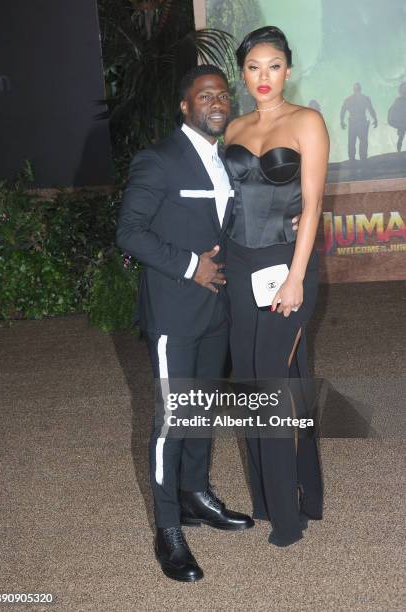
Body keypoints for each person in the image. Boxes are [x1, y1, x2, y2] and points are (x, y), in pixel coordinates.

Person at [116, 65, 255, 583]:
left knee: (201, 411)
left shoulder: (226, 161)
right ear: (184, 104)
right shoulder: (159, 160)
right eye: (205, 95)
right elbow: (129, 233)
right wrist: (190, 264)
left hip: (217, 310)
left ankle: (196, 495)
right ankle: (167, 527)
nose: (216, 101)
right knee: (173, 419)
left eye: (222, 94)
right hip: (175, 310)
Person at [224, 26, 329, 546]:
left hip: (288, 267)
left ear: (288, 69)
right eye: (253, 67)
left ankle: (289, 517)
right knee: (253, 383)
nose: (263, 77)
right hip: (239, 269)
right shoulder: (234, 128)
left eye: (274, 66)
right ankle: (293, 493)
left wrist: (296, 276)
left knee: (269, 383)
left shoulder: (307, 121)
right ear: (242, 73)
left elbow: (311, 206)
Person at [340, 82, 377, 162]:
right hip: (361, 123)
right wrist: (375, 119)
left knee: (352, 142)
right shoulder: (365, 98)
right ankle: (361, 159)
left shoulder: (349, 99)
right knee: (361, 142)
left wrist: (342, 121)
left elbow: (343, 111)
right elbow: (371, 110)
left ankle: (353, 159)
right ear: (360, 89)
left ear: (354, 90)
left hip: (354, 123)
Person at [388, 82, 406, 153]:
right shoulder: (398, 100)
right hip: (402, 121)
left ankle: (399, 150)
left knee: (401, 137)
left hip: (402, 121)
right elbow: (393, 109)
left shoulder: (398, 100)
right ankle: (399, 150)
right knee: (401, 137)